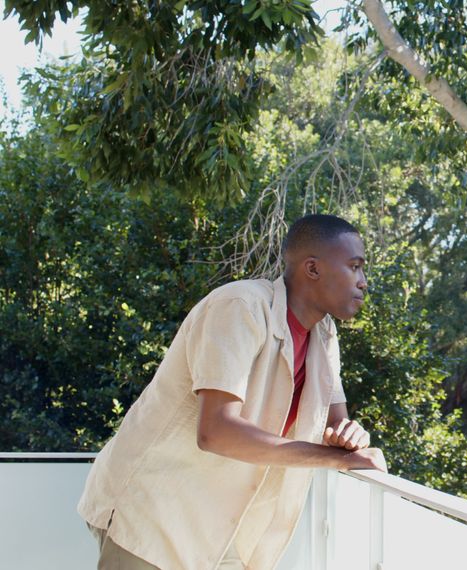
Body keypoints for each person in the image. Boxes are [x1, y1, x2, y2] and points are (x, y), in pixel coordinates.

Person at [78, 214, 387, 570]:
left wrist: (350, 438)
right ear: (312, 269)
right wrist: (335, 458)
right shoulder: (240, 307)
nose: (363, 282)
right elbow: (216, 431)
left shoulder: (324, 335)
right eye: (355, 267)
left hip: (228, 530)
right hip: (154, 513)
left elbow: (337, 423)